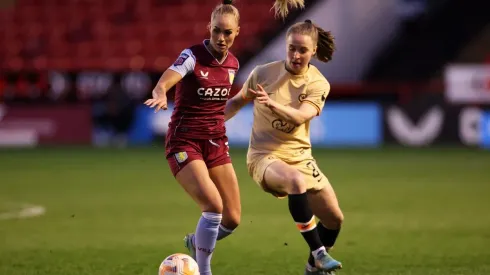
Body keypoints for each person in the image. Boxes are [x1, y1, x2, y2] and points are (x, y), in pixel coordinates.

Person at [224, 20, 344, 275]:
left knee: (334, 219)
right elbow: (236, 102)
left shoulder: (318, 83)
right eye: (291, 48)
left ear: (313, 52)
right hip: (264, 156)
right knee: (295, 182)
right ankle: (319, 253)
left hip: (300, 158)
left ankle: (312, 268)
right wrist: (207, 122)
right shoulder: (263, 73)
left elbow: (300, 117)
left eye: (302, 50)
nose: (295, 55)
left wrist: (270, 103)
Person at [144, 1, 241, 274]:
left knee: (232, 219)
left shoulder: (233, 63)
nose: (221, 38)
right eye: (217, 31)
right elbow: (168, 78)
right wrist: (161, 91)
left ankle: (196, 242)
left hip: (216, 142)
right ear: (209, 28)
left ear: (237, 33)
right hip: (184, 141)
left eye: (228, 33)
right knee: (213, 206)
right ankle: (204, 269)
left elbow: (219, 110)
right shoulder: (192, 56)